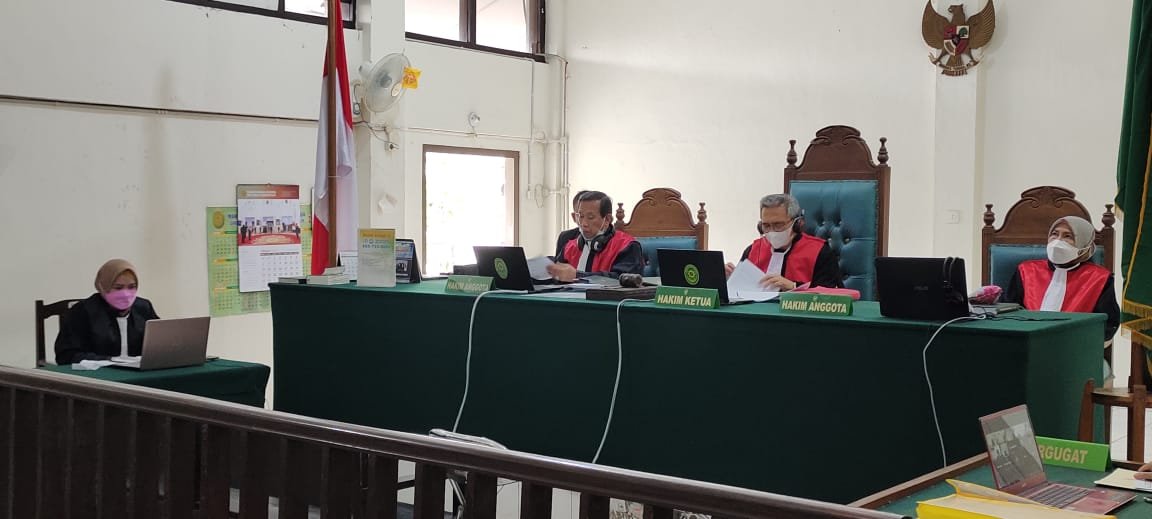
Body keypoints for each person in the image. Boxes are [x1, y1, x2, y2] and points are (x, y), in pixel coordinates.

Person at [1002, 216, 1120, 341]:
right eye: (1054, 234)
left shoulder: (1100, 278)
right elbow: (1008, 311)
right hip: (1025, 341)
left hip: (1073, 344)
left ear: (1084, 246)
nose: (1058, 241)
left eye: (1067, 236)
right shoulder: (1026, 270)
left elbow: (1107, 326)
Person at [726, 193, 843, 291]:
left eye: (778, 225)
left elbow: (832, 294)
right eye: (766, 226)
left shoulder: (820, 252)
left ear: (797, 224)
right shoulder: (753, 250)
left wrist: (794, 286)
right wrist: (729, 279)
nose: (772, 231)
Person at [54, 259, 160, 365]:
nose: (125, 294)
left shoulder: (143, 307)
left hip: (138, 372)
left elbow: (159, 345)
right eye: (118, 288)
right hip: (99, 373)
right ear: (103, 287)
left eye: (132, 287)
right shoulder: (83, 311)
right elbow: (66, 355)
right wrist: (109, 360)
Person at [547, 190, 645, 281]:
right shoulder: (570, 247)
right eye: (581, 216)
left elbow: (623, 280)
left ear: (607, 219)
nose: (583, 223)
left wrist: (577, 276)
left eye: (590, 217)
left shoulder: (627, 246)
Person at [554, 190, 589, 258]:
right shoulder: (565, 237)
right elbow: (558, 263)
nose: (586, 222)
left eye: (591, 216)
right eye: (581, 216)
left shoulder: (609, 239)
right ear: (574, 217)